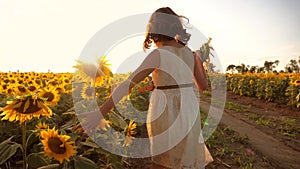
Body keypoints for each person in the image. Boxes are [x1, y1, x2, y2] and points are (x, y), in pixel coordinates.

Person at [79, 7, 213, 169]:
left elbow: (127, 85)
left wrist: (100, 112)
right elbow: (203, 85)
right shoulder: (190, 54)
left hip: (165, 112)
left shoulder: (159, 54)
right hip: (189, 110)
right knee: (185, 156)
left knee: (163, 161)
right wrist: (199, 61)